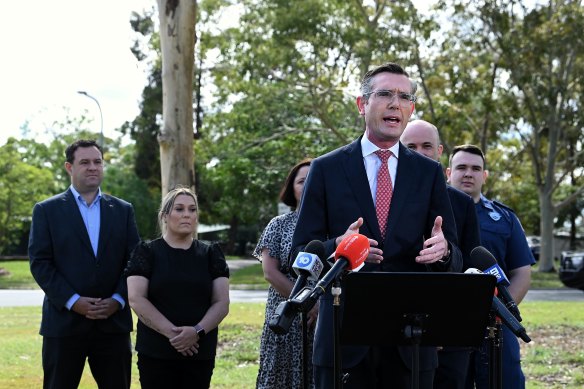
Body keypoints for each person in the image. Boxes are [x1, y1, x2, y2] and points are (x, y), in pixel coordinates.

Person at [291, 62, 463, 389]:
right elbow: (301, 254)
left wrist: (443, 251)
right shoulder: (326, 169)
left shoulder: (428, 173)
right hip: (343, 337)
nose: (395, 103)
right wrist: (337, 248)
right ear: (362, 104)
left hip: (410, 340)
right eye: (384, 94)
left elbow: (454, 256)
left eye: (404, 97)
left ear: (410, 109)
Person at [28, 139, 140, 389]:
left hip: (113, 326)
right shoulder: (46, 210)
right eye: (85, 162)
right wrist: (73, 301)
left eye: (97, 162)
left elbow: (135, 262)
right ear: (69, 167)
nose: (93, 167)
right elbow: (40, 263)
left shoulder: (123, 210)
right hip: (64, 325)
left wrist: (118, 300)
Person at [446, 144, 535, 389]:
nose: (468, 173)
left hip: (495, 323)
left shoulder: (504, 218)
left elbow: (522, 272)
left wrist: (501, 314)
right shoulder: (434, 213)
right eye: (461, 167)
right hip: (448, 326)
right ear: (448, 172)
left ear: (484, 175)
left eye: (476, 168)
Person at [401, 120, 481, 389]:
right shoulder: (381, 198)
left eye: (427, 146)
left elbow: (469, 269)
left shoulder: (461, 203)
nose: (419, 153)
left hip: (450, 336)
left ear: (439, 151)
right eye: (410, 146)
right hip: (397, 334)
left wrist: (443, 330)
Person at [125, 186, 230, 389]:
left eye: (192, 210)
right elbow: (136, 298)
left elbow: (221, 302)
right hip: (156, 351)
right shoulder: (146, 252)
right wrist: (174, 335)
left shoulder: (211, 253)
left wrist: (196, 332)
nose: (187, 215)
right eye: (179, 209)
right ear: (165, 216)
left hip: (200, 350)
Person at [253, 158, 318, 389]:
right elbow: (270, 272)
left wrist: (320, 307)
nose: (308, 185)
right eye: (301, 181)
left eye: (313, 179)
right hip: (285, 316)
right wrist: (307, 303)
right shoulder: (278, 224)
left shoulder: (334, 226)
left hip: (322, 319)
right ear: (292, 188)